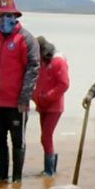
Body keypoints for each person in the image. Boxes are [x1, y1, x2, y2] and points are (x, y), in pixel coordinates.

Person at [0, 0, 40, 183]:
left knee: (18, 143)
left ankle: (17, 180)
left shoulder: (26, 39)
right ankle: (1, 178)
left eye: (8, 15)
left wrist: (24, 97)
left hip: (16, 104)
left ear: (16, 16)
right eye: (1, 16)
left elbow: (33, 68)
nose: (4, 19)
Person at [31, 36, 69, 176]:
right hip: (42, 105)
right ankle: (51, 168)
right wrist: (35, 96)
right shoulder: (42, 62)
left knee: (46, 137)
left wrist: (47, 97)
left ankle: (50, 170)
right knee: (46, 137)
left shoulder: (58, 62)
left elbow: (64, 84)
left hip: (54, 106)